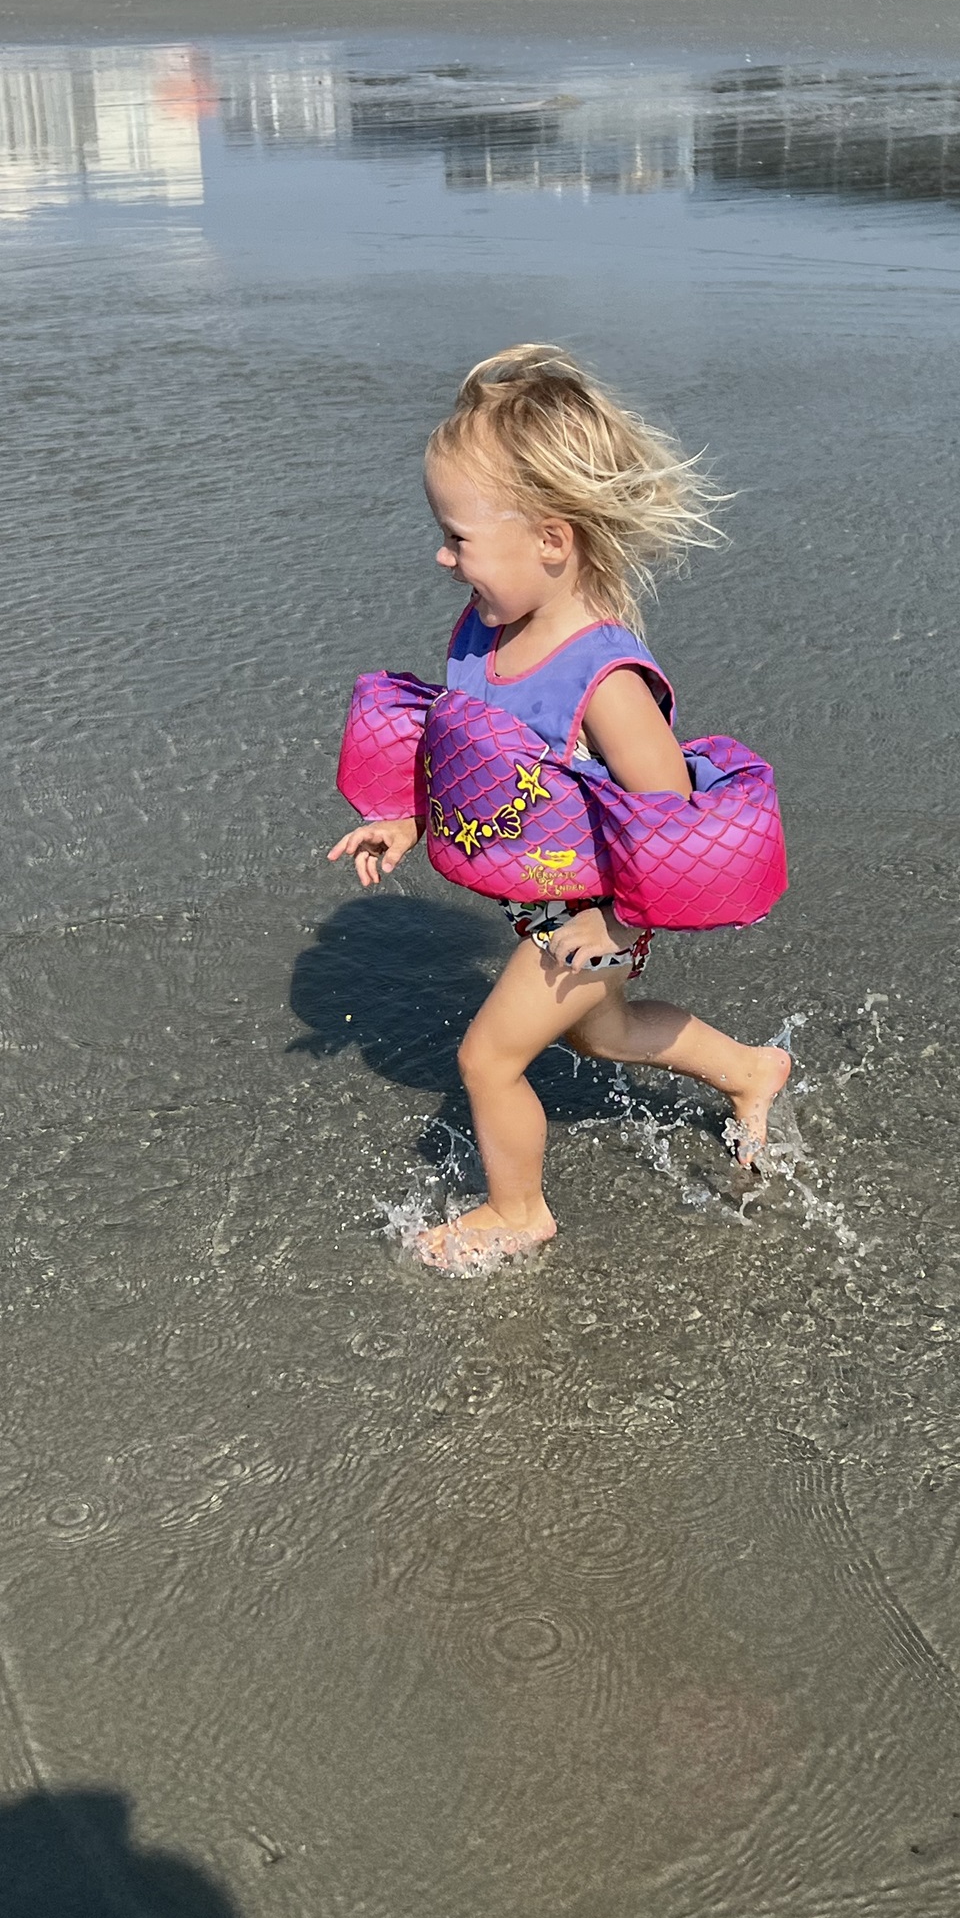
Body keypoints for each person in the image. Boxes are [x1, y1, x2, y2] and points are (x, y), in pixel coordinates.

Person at [329, 345, 789, 1271]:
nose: (443, 554)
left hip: (593, 909)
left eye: (459, 537)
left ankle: (517, 1211)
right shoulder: (486, 631)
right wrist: (409, 820)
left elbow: (668, 814)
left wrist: (611, 918)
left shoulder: (604, 676)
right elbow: (471, 754)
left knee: (487, 1060)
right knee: (603, 1032)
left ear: (550, 539)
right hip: (546, 895)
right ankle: (749, 1068)